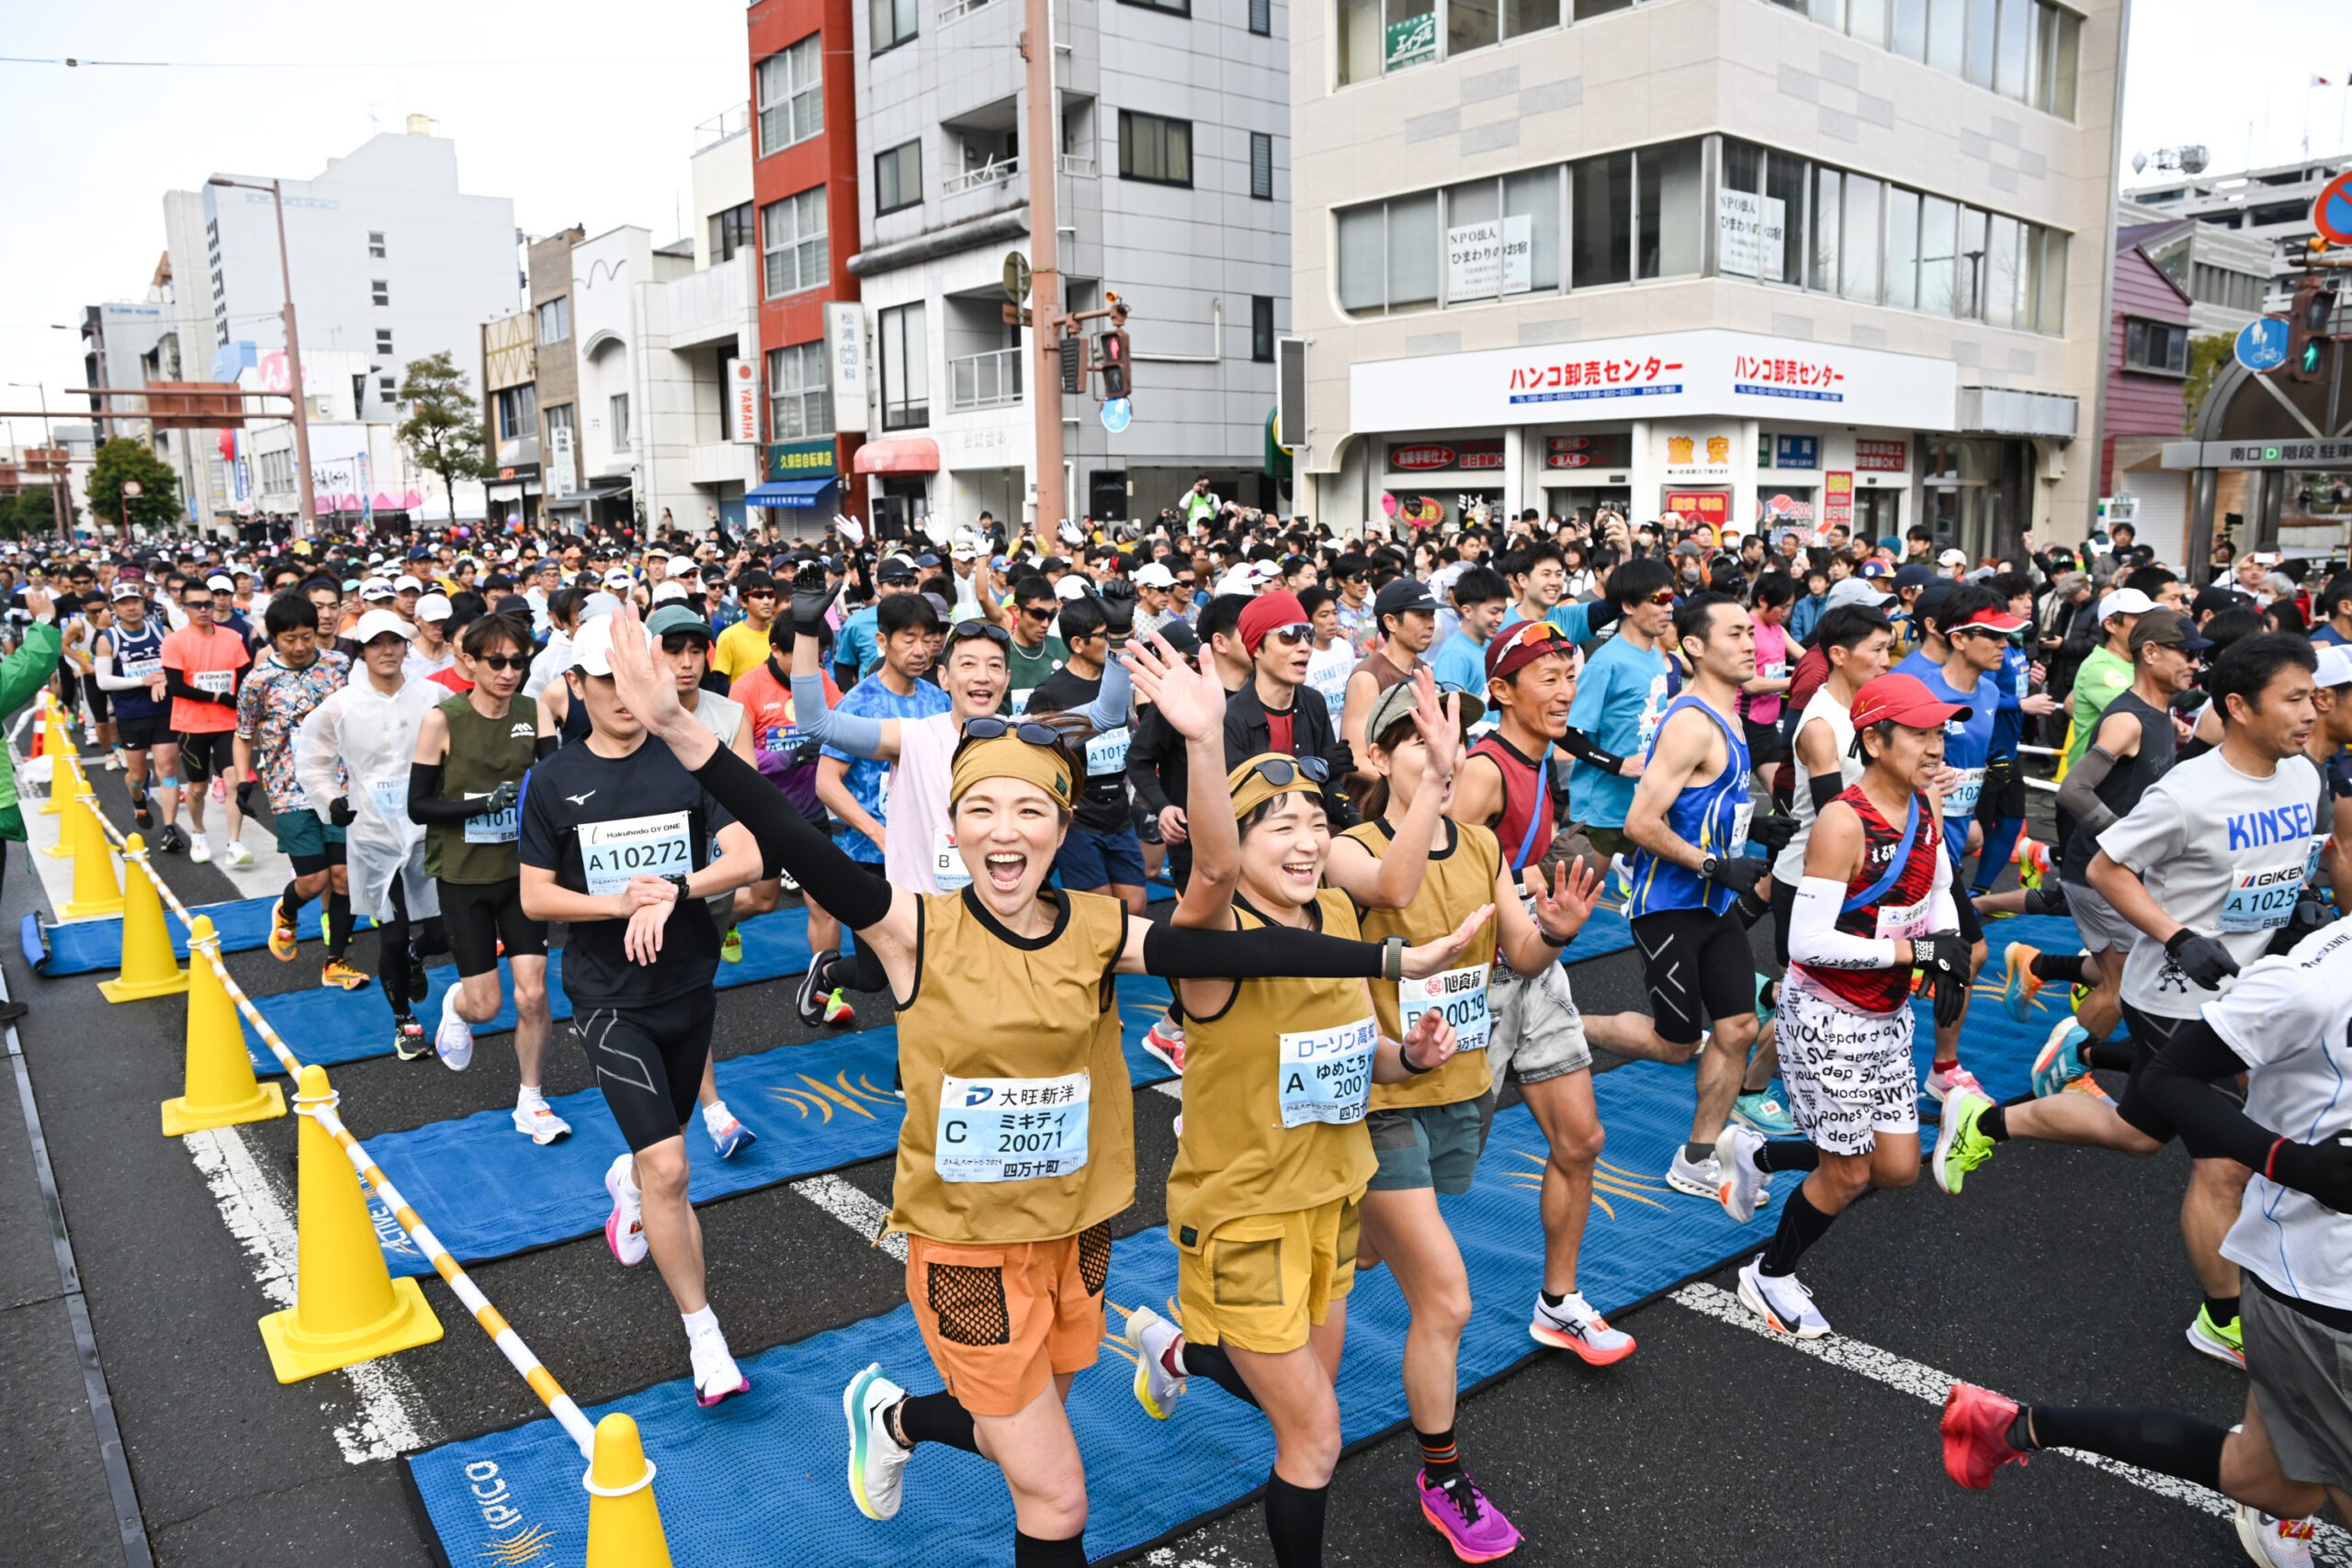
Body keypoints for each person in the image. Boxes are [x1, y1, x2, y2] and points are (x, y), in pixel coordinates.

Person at [1114, 636, 1487, 1568]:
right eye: (1277, 825)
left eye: (1316, 822)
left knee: (1304, 1390)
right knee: (1315, 1435)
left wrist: (1410, 1055)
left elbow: (1362, 1060)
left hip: (1332, 1197)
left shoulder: (1335, 913)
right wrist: (1204, 742)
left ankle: (1173, 1352)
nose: (1308, 840)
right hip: (1246, 1215)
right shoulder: (1208, 937)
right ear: (1237, 844)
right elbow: (1205, 871)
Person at [1939, 634, 2325, 1371]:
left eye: (2314, 698)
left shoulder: (2302, 776)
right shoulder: (2188, 791)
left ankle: (1981, 1119)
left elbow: (2269, 871)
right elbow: (2109, 868)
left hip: (2248, 990)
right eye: (2295, 698)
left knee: (2140, 1132)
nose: (2311, 713)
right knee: (2223, 1165)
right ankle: (2222, 1319)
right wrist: (2176, 935)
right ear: (2240, 707)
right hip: (2176, 998)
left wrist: (2295, 908)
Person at [1939, 916, 2352, 1562]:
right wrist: (2288, 1161)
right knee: (2145, 1136)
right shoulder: (2315, 981)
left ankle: (2014, 1425)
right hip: (2323, 1287)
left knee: (2269, 1483)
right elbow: (2169, 1076)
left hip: (2310, 1278)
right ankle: (1997, 1113)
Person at [1330, 670, 1618, 1552]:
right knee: (1446, 1299)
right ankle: (1442, 1474)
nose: (1447, 752)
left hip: (1459, 1090)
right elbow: (1393, 883)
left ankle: (1277, 1296)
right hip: (1380, 1097)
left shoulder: (1483, 846)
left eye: (1455, 735)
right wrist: (1438, 783)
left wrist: (1558, 927)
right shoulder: (1348, 848)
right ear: (1378, 756)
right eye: (1423, 739)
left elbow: (1521, 955)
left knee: (1363, 1255)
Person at [517, 613, 764, 1405]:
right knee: (672, 1166)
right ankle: (705, 1337)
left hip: (688, 983)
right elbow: (535, 895)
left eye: (633, 677)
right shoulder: (552, 780)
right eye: (605, 680)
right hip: (608, 997)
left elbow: (751, 854)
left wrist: (677, 890)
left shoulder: (689, 755)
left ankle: (626, 1175)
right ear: (577, 686)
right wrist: (619, 902)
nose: (623, 694)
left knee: (659, 1153)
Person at [1716, 672, 1970, 1337]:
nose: (1936, 747)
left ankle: (1759, 1156)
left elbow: (1938, 886)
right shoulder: (1842, 820)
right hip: (1828, 1014)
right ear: (1876, 741)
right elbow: (1807, 943)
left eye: (1940, 733)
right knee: (1851, 1172)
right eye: (1920, 734)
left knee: (1897, 1168)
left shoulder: (1924, 804)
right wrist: (1917, 953)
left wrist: (1945, 943)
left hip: (1887, 1015)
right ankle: (1769, 1274)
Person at [1613, 593, 1786, 1196]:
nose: (1750, 643)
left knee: (1737, 1027)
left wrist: (1759, 830)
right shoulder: (1690, 722)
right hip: (1668, 906)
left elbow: (1706, 808)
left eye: (1751, 632)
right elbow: (1641, 823)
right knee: (1677, 1041)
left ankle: (1697, 1156)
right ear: (1694, 645)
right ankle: (1562, 1028)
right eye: (1735, 633)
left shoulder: (1731, 718)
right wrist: (1715, 865)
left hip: (1712, 905)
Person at [1997, 609, 2204, 1089]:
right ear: (2150, 653)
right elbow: (2073, 789)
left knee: (2128, 968)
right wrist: (2123, 841)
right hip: (2101, 873)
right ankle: (2063, 1076)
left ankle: (2033, 966)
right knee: (2122, 984)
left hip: (2113, 871)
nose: (2195, 664)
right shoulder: (2128, 720)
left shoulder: (2159, 712)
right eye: (2187, 654)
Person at [406, 612, 562, 1142]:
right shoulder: (441, 720)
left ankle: (531, 1100)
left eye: (518, 662)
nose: (509, 673)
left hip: (524, 875)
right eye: (497, 662)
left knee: (532, 995)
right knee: (486, 1005)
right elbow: (418, 807)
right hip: (464, 877)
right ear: (468, 662)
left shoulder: (535, 711)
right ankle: (457, 1003)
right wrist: (483, 805)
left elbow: (555, 786)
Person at [297, 610, 446, 1059]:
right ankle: (404, 1020)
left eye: (395, 641)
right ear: (361, 651)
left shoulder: (433, 696)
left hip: (430, 832)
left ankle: (418, 956)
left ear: (406, 646)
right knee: (393, 936)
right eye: (376, 643)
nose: (387, 651)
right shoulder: (340, 705)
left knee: (445, 933)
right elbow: (312, 762)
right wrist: (331, 800)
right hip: (375, 837)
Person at [235, 595, 367, 990]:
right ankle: (288, 909)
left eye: (306, 637)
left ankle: (335, 962)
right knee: (313, 881)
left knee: (344, 877)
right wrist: (243, 780)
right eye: (289, 639)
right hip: (288, 789)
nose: (299, 646)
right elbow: (243, 734)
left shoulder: (338, 665)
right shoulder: (258, 681)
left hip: (339, 784)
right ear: (274, 638)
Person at [1030, 594, 1146, 915]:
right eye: (1106, 636)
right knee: (1099, 911)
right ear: (1078, 643)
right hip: (1079, 818)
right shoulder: (1049, 694)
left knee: (1135, 906)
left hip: (1118, 812)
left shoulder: (1120, 683)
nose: (1114, 643)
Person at [1565, 557, 1676, 860]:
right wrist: (1617, 765)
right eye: (1659, 600)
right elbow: (1565, 733)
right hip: (1601, 811)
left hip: (1644, 806)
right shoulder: (1606, 662)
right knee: (1583, 891)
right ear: (1627, 606)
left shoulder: (1655, 656)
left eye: (1671, 598)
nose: (1669, 608)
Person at [159, 577, 254, 865]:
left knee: (233, 779)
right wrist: (219, 697)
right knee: (198, 787)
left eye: (208, 604)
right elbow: (177, 687)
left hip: (227, 724)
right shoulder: (174, 642)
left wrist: (243, 703)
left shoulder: (232, 638)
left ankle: (234, 842)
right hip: (191, 726)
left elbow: (245, 677)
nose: (203, 609)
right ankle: (198, 832)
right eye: (196, 605)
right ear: (184, 607)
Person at [91, 576, 183, 846]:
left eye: (135, 601)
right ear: (114, 608)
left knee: (168, 769)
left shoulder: (162, 631)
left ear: (144, 603)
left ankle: (169, 830)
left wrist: (166, 678)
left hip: (164, 711)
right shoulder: (108, 639)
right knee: (137, 776)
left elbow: (181, 665)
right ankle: (138, 799)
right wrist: (143, 681)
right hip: (130, 714)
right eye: (123, 603)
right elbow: (103, 681)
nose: (131, 607)